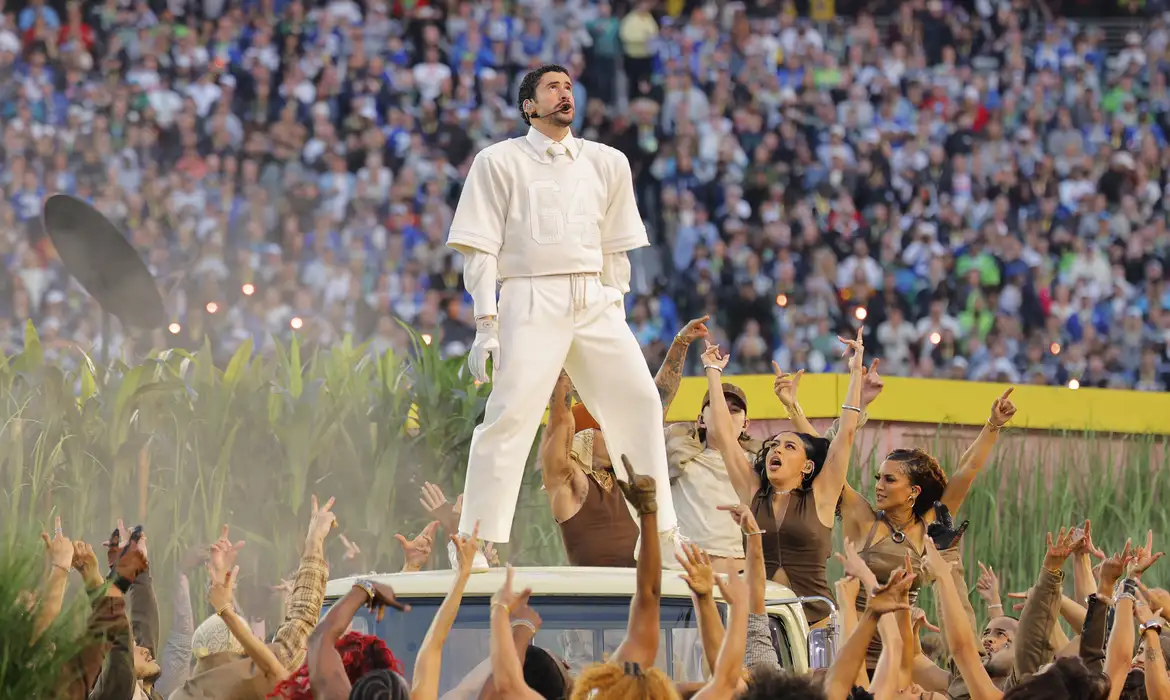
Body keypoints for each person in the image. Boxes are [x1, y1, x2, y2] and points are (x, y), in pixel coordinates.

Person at [446, 62, 680, 559]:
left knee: (638, 403)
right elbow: (479, 249)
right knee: (509, 415)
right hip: (529, 295)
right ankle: (477, 539)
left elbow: (617, 247)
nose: (564, 94)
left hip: (593, 296)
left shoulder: (608, 161)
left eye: (570, 86)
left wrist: (613, 302)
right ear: (529, 105)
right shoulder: (497, 160)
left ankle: (659, 533)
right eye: (552, 87)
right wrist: (486, 324)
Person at [700, 330, 866, 626]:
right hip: (759, 622)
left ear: (806, 467)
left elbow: (847, 434)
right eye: (775, 445)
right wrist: (712, 371)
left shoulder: (822, 496)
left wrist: (855, 371)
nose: (777, 449)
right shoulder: (753, 492)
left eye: (790, 447)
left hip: (816, 623)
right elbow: (725, 437)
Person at [539, 370, 639, 567]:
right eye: (604, 433)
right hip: (594, 593)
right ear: (586, 438)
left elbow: (658, 404)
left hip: (639, 591)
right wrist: (563, 373)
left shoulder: (626, 475)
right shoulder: (569, 481)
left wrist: (681, 343)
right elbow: (561, 420)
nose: (614, 440)